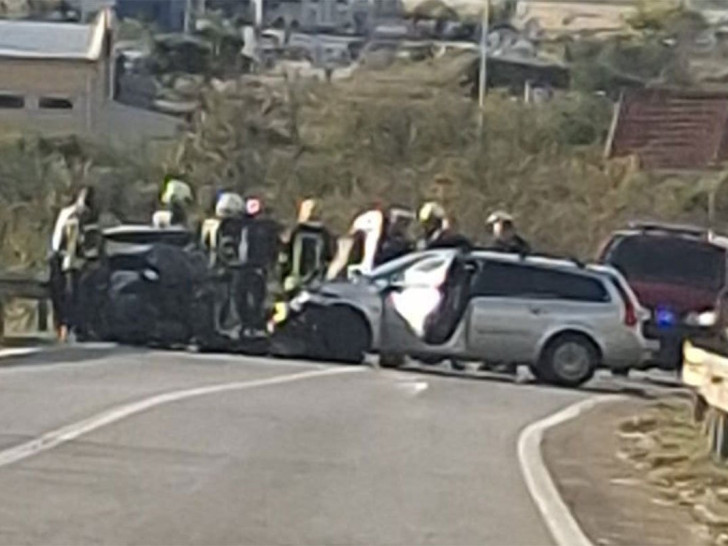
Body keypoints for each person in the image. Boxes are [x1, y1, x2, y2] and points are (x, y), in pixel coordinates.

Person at [49, 186, 99, 342]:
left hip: (74, 262)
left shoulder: (77, 215)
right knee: (71, 296)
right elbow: (62, 243)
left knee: (74, 296)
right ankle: (71, 328)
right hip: (71, 262)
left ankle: (74, 328)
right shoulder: (73, 216)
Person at [235, 196, 281, 336]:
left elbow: (272, 248)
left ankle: (252, 325)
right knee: (246, 297)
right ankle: (248, 325)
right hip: (246, 267)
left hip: (253, 267)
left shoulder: (263, 229)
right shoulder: (241, 227)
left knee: (253, 297)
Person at [281, 198, 336, 294]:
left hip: (296, 281)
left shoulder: (297, 232)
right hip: (317, 283)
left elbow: (285, 255)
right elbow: (330, 257)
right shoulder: (325, 234)